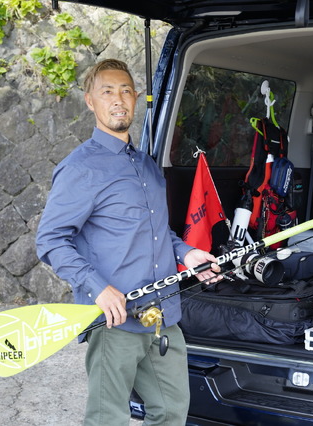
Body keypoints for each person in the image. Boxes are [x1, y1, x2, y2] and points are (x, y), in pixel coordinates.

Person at [36, 58, 219, 426]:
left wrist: (189, 253)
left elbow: (157, 233)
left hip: (162, 316)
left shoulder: (147, 166)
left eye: (125, 91)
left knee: (170, 411)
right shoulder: (81, 168)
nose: (118, 99)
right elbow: (51, 240)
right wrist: (97, 288)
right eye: (107, 91)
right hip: (114, 321)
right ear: (90, 101)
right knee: (109, 419)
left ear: (136, 98)